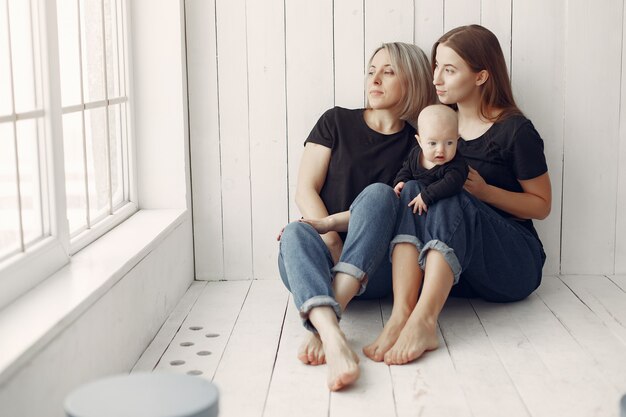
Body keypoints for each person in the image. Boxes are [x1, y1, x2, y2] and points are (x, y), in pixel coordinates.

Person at [362, 24, 552, 366]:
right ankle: (401, 314)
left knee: (449, 191)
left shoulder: (514, 131)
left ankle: (424, 321)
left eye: (449, 70)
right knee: (418, 189)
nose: (437, 78)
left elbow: (541, 206)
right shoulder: (436, 127)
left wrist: (486, 192)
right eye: (436, 66)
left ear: (481, 76)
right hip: (461, 274)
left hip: (513, 264)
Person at [277, 42, 436, 391]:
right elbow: (305, 190)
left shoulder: (419, 146)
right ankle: (333, 337)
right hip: (318, 258)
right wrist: (331, 240)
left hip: (374, 271)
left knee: (381, 195)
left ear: (412, 81)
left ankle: (323, 322)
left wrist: (338, 235)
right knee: (293, 233)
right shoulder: (335, 120)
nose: (374, 79)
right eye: (371, 71)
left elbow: (392, 211)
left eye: (388, 71)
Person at [393, 104, 468, 216]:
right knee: (408, 190)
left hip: (445, 211)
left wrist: (426, 196)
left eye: (449, 143)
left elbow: (452, 183)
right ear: (420, 142)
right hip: (419, 206)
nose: (440, 150)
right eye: (433, 143)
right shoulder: (415, 154)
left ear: (457, 139)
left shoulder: (456, 164)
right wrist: (401, 181)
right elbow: (406, 169)